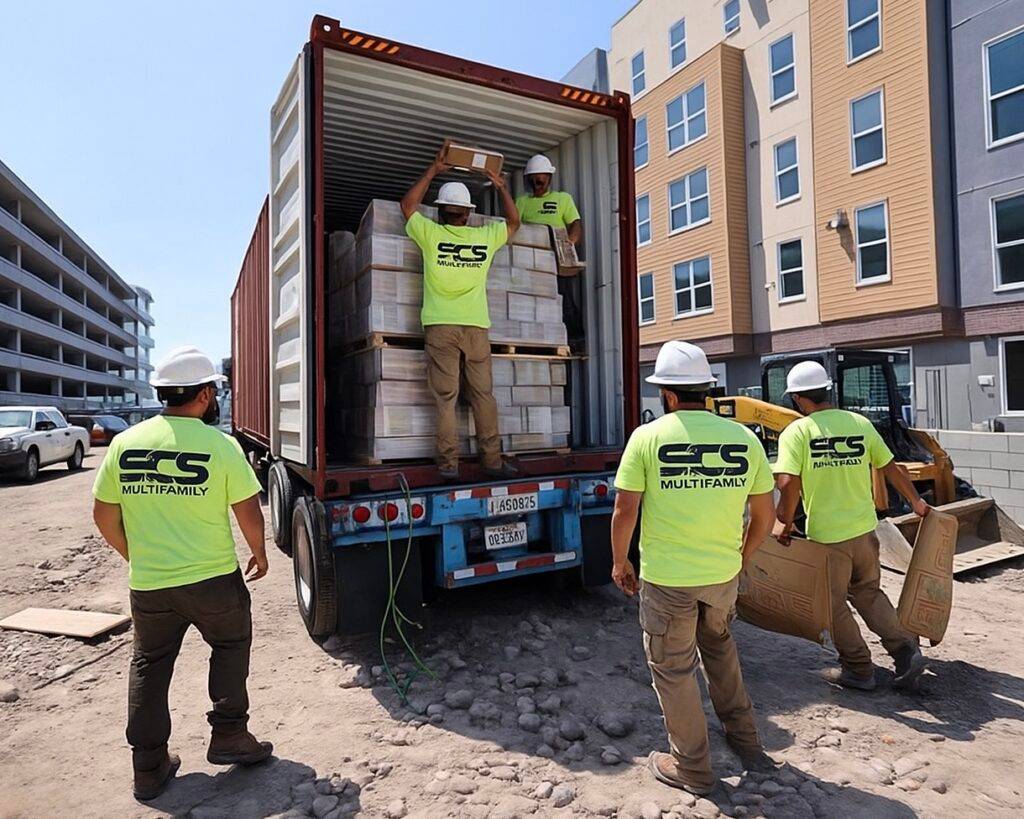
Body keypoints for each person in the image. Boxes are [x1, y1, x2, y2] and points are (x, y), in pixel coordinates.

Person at [91, 346, 272, 801]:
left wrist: (137, 556)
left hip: (151, 586)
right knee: (230, 646)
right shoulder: (220, 446)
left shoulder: (124, 444)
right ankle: (229, 734)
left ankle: (148, 767)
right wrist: (259, 551)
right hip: (214, 580)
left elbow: (102, 514)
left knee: (150, 665)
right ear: (207, 394)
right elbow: (248, 508)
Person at [611, 340, 777, 795]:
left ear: (666, 395)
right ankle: (747, 744)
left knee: (674, 669)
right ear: (707, 390)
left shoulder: (648, 438)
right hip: (721, 577)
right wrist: (739, 557)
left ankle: (693, 769)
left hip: (668, 581)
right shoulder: (744, 439)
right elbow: (766, 518)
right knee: (720, 649)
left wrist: (620, 561)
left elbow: (625, 510)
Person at [773, 360, 931, 692]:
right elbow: (891, 467)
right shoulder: (859, 423)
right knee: (868, 592)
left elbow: (787, 483)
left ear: (798, 399)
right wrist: (917, 503)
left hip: (828, 540)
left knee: (831, 606)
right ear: (827, 391)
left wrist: (783, 522)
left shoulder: (798, 432)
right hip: (864, 532)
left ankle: (859, 669)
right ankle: (905, 652)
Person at [401, 146, 520, 481]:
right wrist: (501, 186)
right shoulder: (484, 238)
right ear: (467, 213)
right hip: (476, 328)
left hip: (441, 328)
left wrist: (432, 171)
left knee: (446, 399)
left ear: (440, 212)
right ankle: (492, 461)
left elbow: (407, 207)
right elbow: (514, 222)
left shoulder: (431, 234)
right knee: (483, 396)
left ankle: (449, 465)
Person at [514, 154, 582, 245]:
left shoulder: (563, 198)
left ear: (549, 178)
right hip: (530, 247)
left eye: (539, 182)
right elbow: (512, 225)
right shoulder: (522, 201)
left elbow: (575, 224)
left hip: (556, 248)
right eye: (532, 182)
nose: (535, 186)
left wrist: (570, 242)